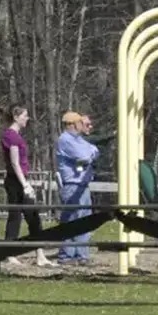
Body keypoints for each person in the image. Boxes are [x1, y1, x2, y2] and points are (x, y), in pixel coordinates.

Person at [0, 105, 54, 268]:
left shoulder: (16, 136)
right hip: (16, 181)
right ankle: (10, 253)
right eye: (25, 115)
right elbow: (15, 163)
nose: (27, 119)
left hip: (20, 179)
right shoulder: (11, 136)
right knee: (16, 217)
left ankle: (40, 254)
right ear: (16, 117)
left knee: (32, 217)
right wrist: (25, 185)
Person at [54, 111, 100, 265]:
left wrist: (90, 154)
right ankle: (67, 256)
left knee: (85, 220)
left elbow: (94, 150)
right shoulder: (65, 140)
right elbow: (85, 156)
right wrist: (90, 155)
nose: (84, 125)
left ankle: (81, 255)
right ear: (72, 124)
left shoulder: (78, 140)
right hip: (72, 186)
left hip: (83, 185)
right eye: (81, 122)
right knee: (72, 220)